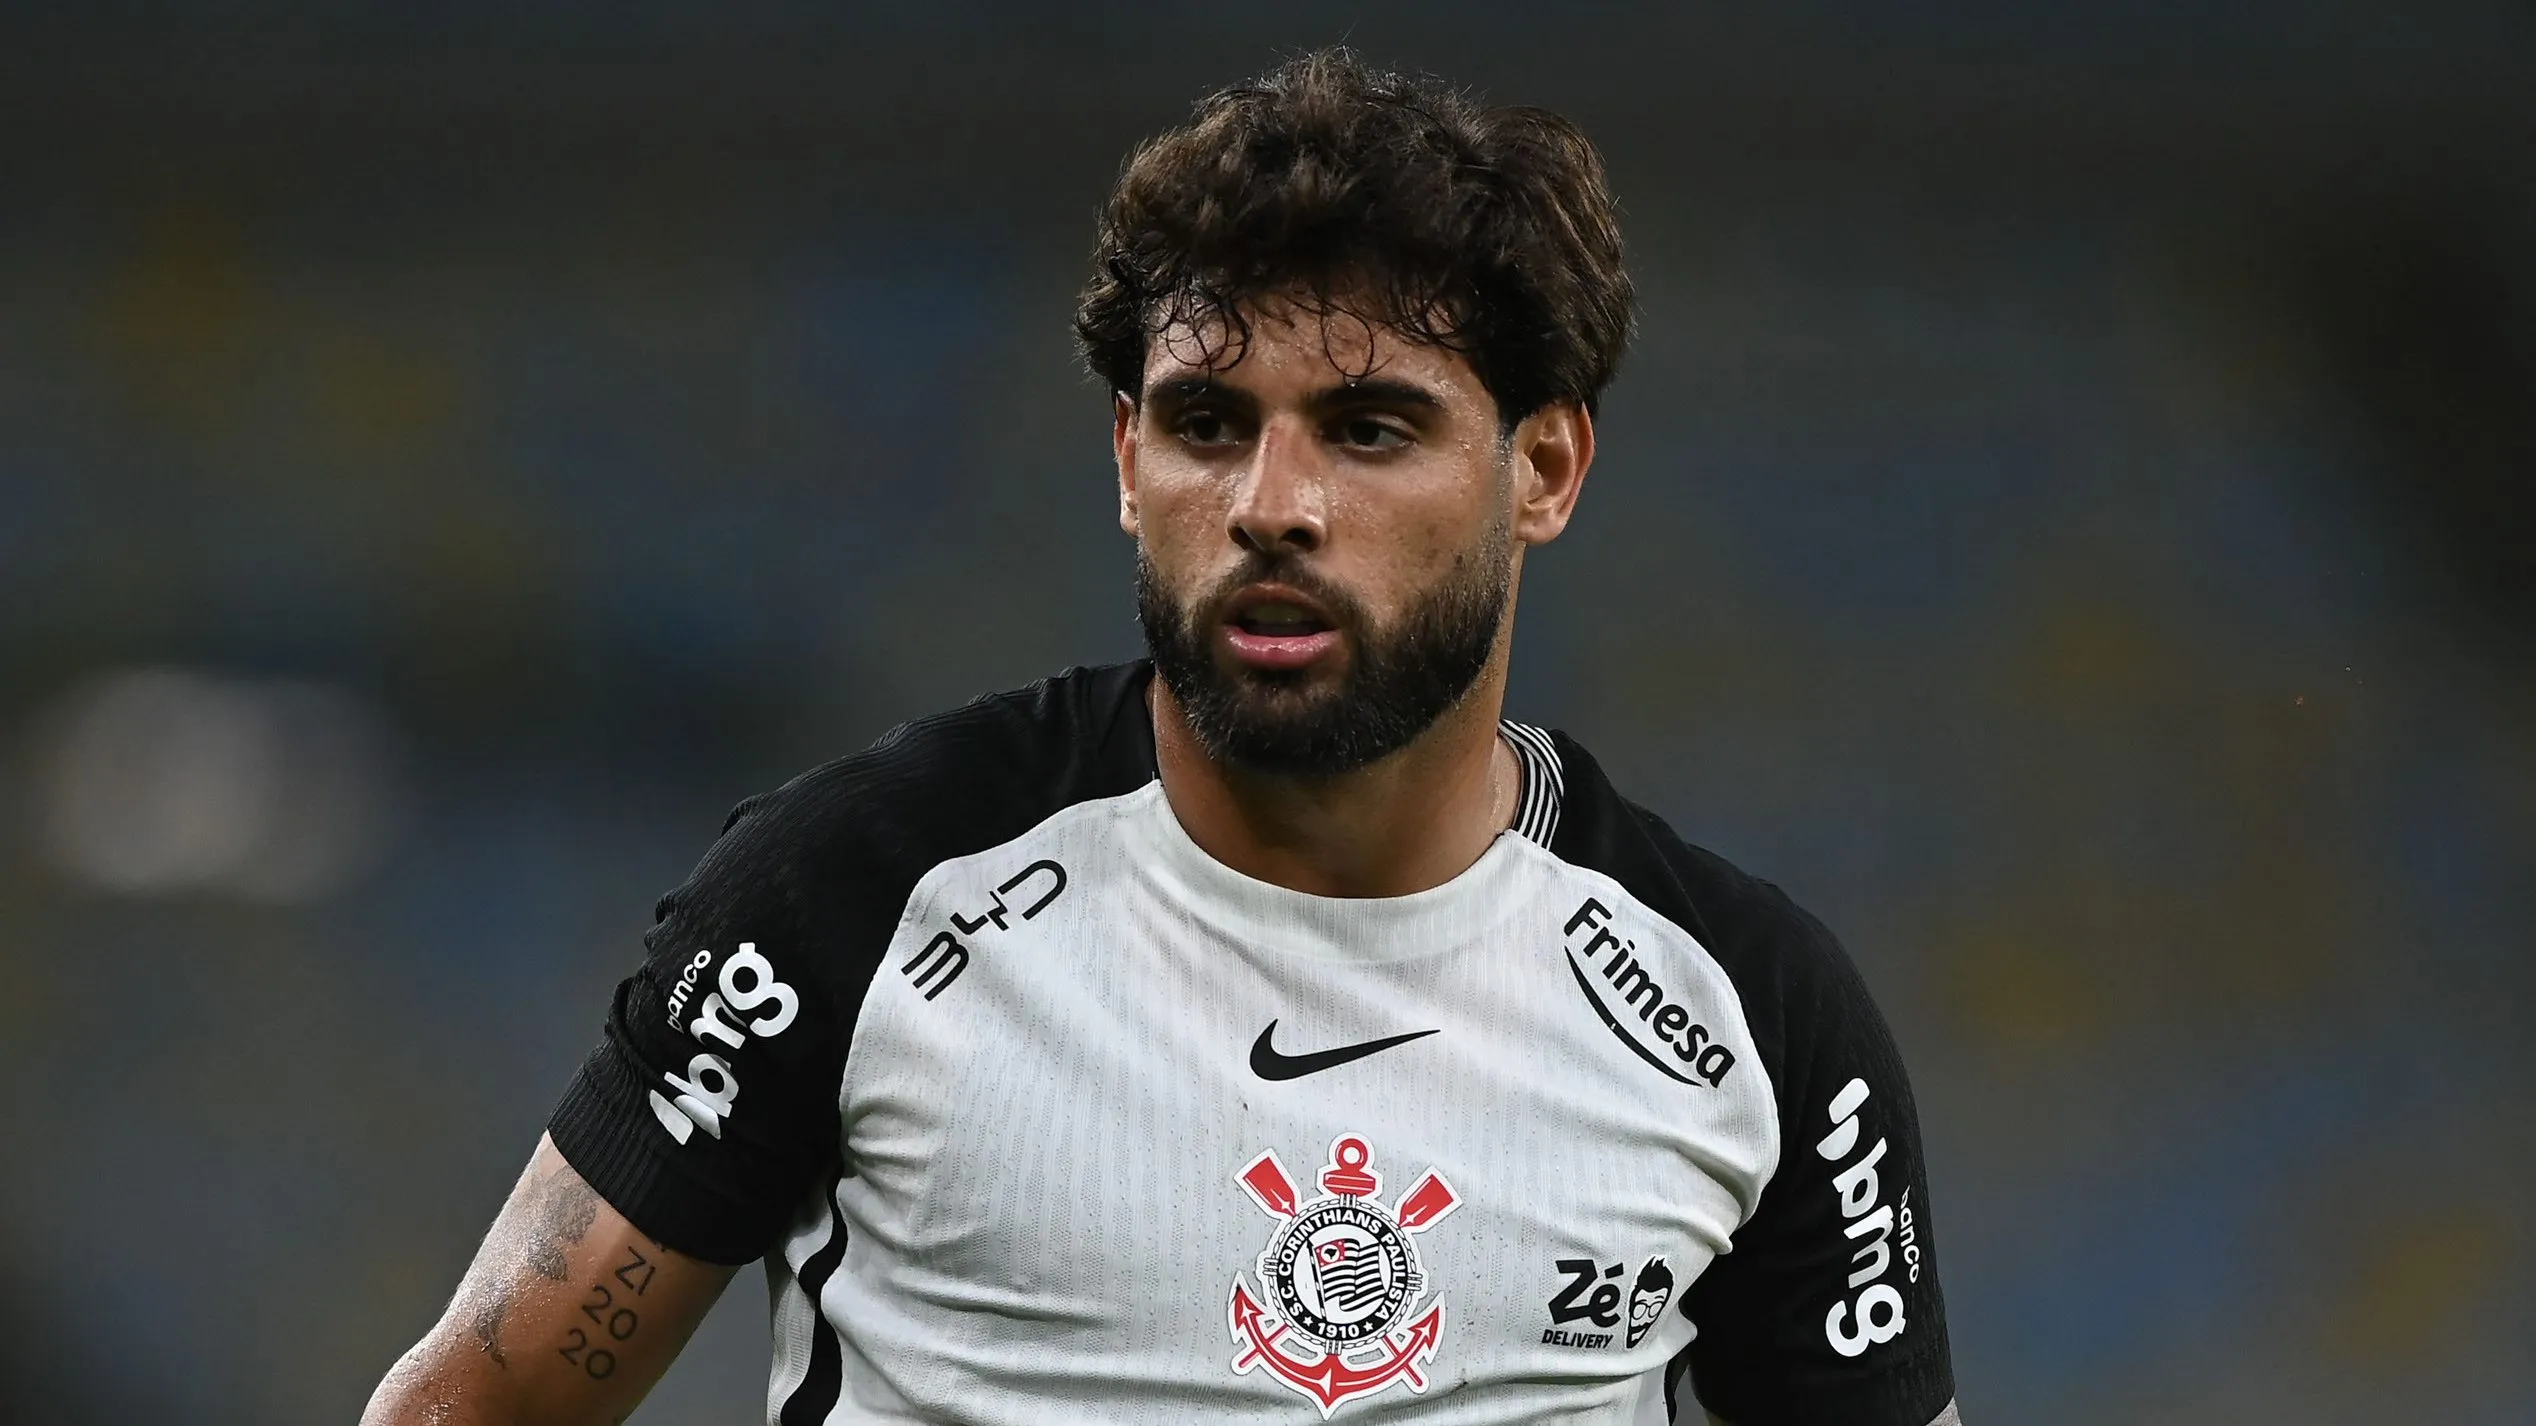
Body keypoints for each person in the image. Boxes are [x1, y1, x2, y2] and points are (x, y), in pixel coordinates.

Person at [363, 48, 1959, 1426]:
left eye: (1371, 427)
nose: (1273, 504)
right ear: (1130, 458)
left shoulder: (1748, 1017)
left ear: (1544, 469)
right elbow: (473, 1402)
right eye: (1208, 423)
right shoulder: (853, 892)